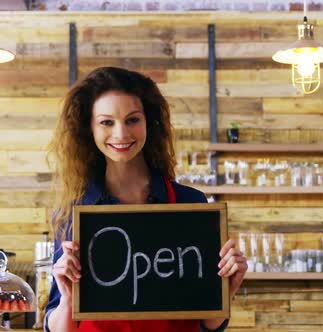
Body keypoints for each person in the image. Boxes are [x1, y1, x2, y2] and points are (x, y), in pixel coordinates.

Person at [44, 67, 247, 332]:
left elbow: (207, 323)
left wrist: (225, 292)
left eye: (132, 120)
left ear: (148, 122)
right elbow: (58, 327)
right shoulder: (75, 211)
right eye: (107, 122)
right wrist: (69, 299)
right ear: (89, 129)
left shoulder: (189, 204)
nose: (121, 134)